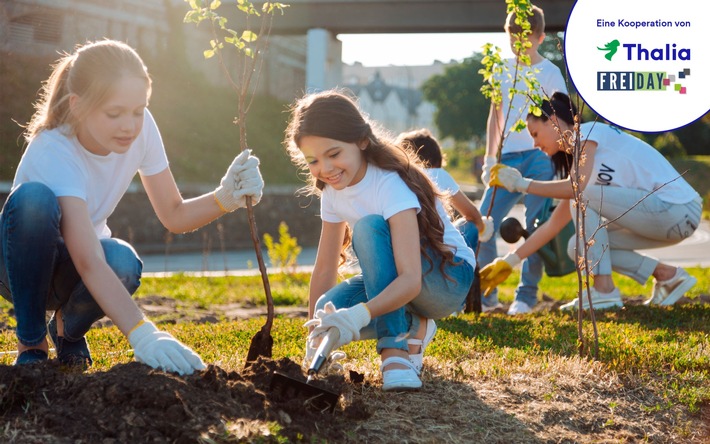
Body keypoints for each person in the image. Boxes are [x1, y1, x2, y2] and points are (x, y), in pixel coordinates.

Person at [0, 40, 264, 373]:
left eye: (138, 111)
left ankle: (67, 330)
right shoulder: (53, 148)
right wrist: (143, 333)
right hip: (16, 269)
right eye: (114, 113)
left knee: (123, 261)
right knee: (33, 200)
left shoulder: (142, 130)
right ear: (78, 106)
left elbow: (174, 214)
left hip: (75, 270)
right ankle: (31, 341)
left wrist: (225, 197)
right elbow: (88, 260)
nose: (129, 125)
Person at [285, 90, 475, 391]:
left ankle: (395, 352)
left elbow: (410, 279)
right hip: (404, 278)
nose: (325, 169)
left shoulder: (389, 183)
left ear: (362, 141)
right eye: (313, 160)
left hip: (447, 278)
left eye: (334, 154)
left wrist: (359, 315)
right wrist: (316, 335)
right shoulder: (332, 192)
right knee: (328, 306)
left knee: (369, 227)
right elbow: (324, 271)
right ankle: (417, 326)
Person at [481, 92, 701, 310]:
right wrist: (509, 261)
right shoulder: (583, 168)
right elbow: (552, 227)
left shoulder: (588, 133)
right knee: (576, 245)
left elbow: (576, 190)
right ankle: (669, 276)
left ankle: (603, 291)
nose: (535, 144)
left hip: (678, 209)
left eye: (535, 133)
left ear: (554, 121)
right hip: (666, 220)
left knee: (581, 195)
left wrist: (520, 184)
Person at [478, 3, 568, 315]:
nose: (519, 40)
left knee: (535, 225)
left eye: (526, 35)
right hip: (507, 158)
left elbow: (561, 119)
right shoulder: (500, 69)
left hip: (540, 157)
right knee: (484, 223)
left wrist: (562, 161)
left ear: (541, 37)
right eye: (513, 34)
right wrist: (490, 159)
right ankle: (487, 295)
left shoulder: (550, 72)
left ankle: (525, 296)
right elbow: (495, 115)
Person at [396, 128, 494, 250]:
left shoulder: (397, 177)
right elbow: (471, 214)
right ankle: (470, 265)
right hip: (440, 252)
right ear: (436, 161)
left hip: (408, 250)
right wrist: (483, 229)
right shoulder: (437, 174)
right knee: (471, 226)